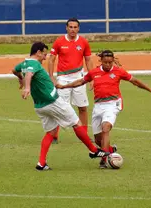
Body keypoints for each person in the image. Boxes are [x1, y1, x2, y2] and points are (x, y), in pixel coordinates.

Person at [56, 50, 151, 168]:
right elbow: (81, 81)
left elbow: (135, 81)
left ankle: (103, 160)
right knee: (97, 140)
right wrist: (64, 86)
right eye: (105, 62)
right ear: (101, 61)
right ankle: (110, 150)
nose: (108, 65)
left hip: (113, 104)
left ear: (113, 61)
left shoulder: (118, 71)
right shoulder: (94, 72)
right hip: (98, 106)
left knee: (106, 127)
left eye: (110, 62)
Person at [12, 42, 108, 171]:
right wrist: (27, 87)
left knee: (51, 132)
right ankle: (93, 150)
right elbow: (30, 73)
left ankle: (41, 163)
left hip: (40, 106)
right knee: (76, 123)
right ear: (38, 52)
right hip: (53, 102)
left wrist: (20, 79)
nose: (45, 57)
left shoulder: (24, 63)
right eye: (44, 54)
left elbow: (14, 70)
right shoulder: (34, 64)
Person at [48, 17, 93, 144]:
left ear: (78, 28)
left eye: (75, 27)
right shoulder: (59, 41)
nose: (73, 29)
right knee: (59, 108)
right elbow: (51, 59)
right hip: (63, 79)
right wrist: (51, 77)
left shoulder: (83, 42)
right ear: (66, 28)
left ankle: (84, 135)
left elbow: (88, 60)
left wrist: (92, 77)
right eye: (70, 27)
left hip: (79, 79)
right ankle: (54, 135)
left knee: (82, 107)